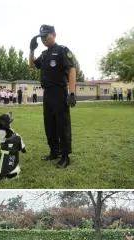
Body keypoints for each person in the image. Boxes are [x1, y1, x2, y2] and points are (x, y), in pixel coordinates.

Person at [30, 24, 77, 168]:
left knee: (62, 125)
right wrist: (31, 50)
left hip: (59, 92)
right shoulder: (44, 55)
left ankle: (65, 156)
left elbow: (72, 70)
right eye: (41, 37)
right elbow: (32, 65)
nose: (44, 39)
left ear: (54, 34)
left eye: (46, 36)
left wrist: (72, 92)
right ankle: (54, 152)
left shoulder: (62, 50)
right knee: (49, 124)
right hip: (48, 93)